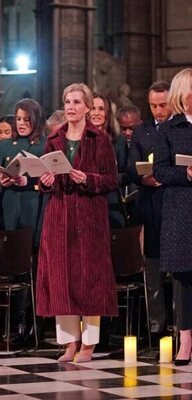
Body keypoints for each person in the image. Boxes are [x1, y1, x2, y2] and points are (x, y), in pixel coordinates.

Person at [37, 83, 118, 363]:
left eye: (75, 102)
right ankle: (69, 343)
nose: (70, 107)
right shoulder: (54, 139)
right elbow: (48, 178)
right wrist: (46, 182)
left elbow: (111, 179)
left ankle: (89, 344)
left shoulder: (100, 139)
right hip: (59, 216)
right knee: (62, 279)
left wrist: (89, 179)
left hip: (89, 216)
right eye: (67, 102)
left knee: (90, 280)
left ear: (86, 107)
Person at [0, 98, 47, 343]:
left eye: (26, 119)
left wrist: (30, 183)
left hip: (34, 212)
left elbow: (48, 182)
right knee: (10, 270)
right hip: (10, 211)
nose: (21, 124)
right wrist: (2, 181)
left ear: (36, 119)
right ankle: (9, 324)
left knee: (33, 270)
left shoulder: (45, 146)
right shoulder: (4, 146)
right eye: (18, 119)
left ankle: (33, 324)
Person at [127, 81, 172, 345]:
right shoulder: (142, 131)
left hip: (174, 204)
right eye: (153, 105)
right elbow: (130, 166)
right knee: (152, 271)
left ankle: (182, 325)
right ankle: (157, 328)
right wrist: (142, 178)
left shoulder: (180, 128)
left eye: (163, 105)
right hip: (150, 207)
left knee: (179, 274)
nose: (158, 111)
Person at [153, 68, 192, 365]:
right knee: (185, 279)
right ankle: (186, 341)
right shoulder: (168, 128)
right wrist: (186, 172)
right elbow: (160, 170)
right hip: (181, 208)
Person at [91, 93, 129, 227]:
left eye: (101, 109)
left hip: (110, 202)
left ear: (107, 113)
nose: (96, 113)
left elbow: (126, 174)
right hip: (86, 202)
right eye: (92, 108)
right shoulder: (79, 140)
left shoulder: (119, 142)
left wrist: (106, 179)